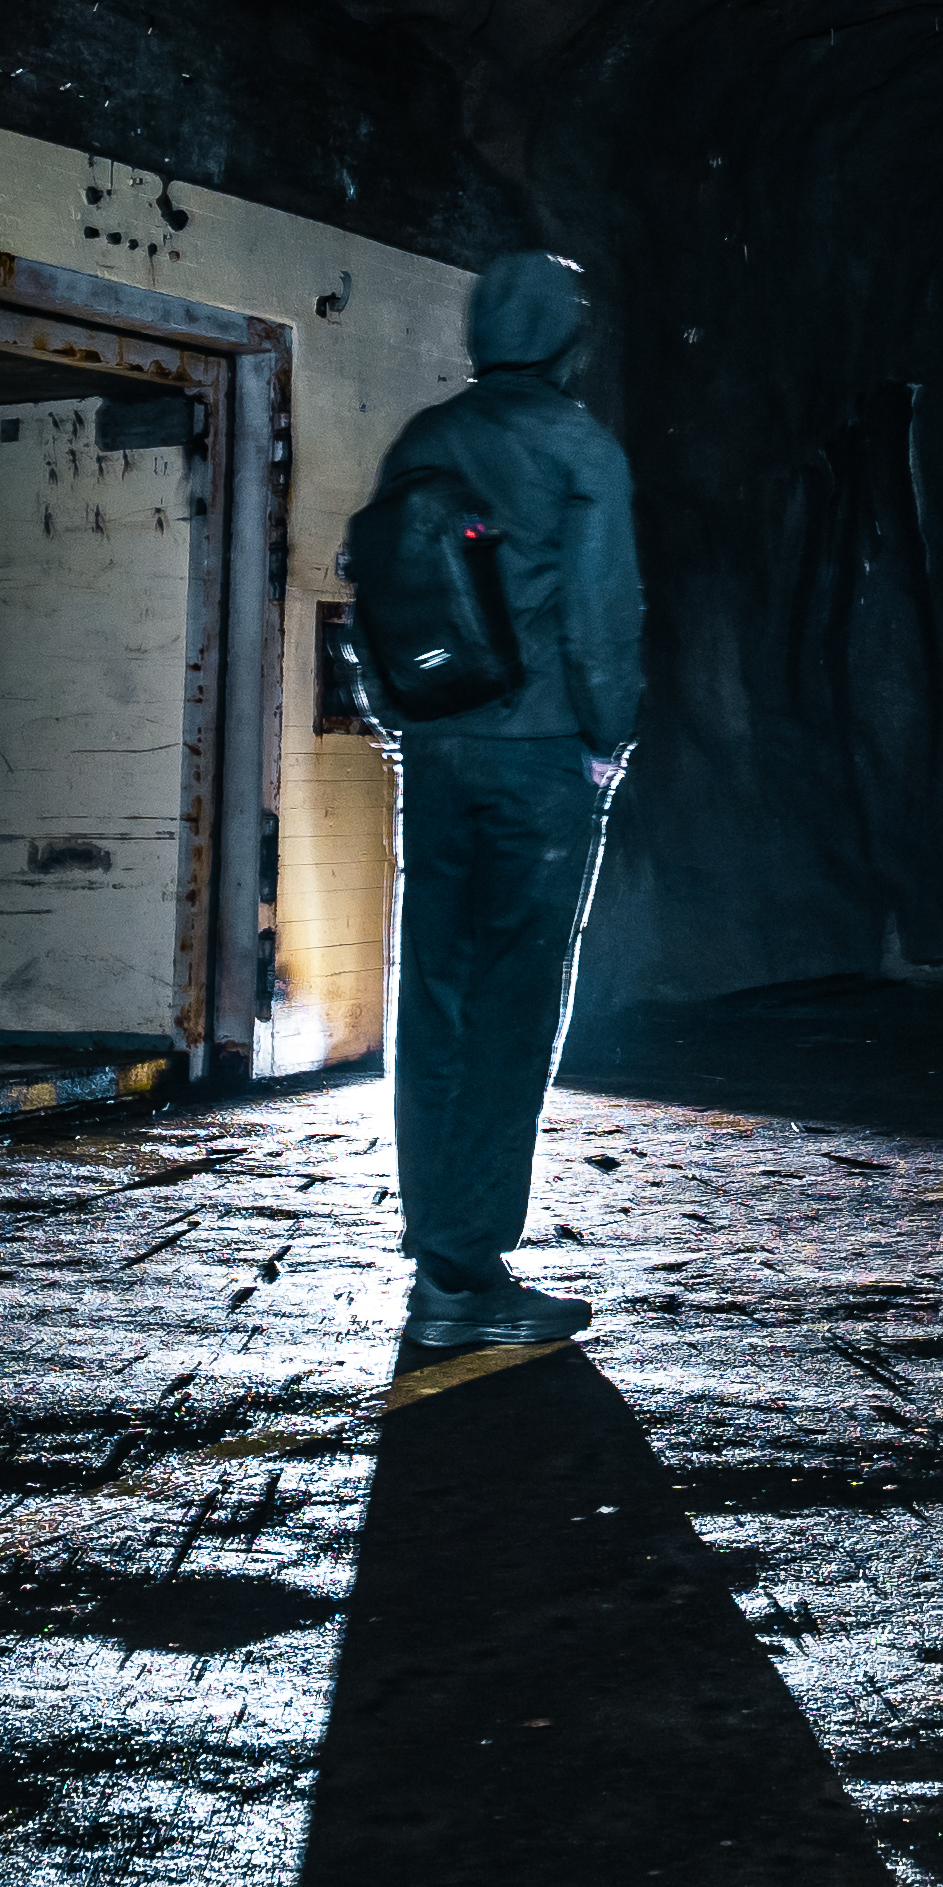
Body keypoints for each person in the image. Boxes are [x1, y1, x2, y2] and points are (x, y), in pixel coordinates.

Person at [350, 250, 643, 1352]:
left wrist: (403, 715)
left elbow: (378, 583)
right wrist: (607, 740)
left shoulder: (422, 439)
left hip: (439, 749)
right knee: (518, 1001)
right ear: (568, 337)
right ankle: (469, 1274)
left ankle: (440, 1254)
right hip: (535, 758)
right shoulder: (581, 448)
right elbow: (605, 614)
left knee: (435, 996)